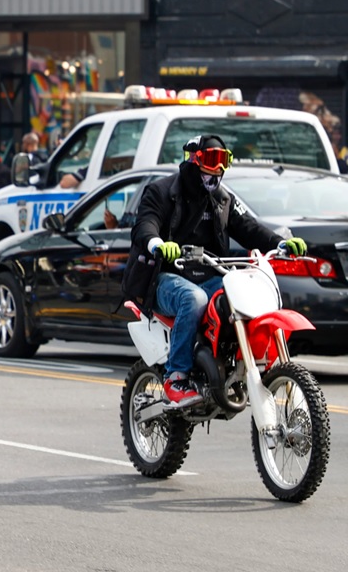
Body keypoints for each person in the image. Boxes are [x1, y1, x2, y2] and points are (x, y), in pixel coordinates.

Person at [124, 135, 307, 408]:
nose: (217, 169)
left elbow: (248, 227)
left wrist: (278, 243)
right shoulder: (161, 191)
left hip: (207, 273)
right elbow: (145, 224)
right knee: (193, 299)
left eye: (224, 161)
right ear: (194, 159)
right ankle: (177, 377)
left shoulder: (222, 198)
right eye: (211, 159)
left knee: (239, 295)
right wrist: (157, 243)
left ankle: (232, 361)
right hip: (162, 277)